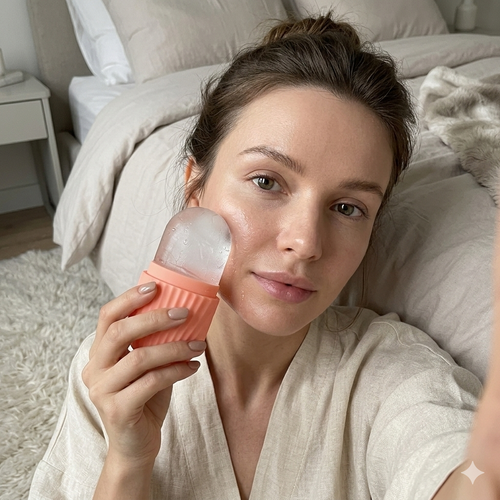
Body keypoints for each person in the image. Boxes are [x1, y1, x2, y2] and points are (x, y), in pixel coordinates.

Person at [29, 13, 498, 500]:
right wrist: (128, 461)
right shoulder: (115, 372)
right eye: (266, 181)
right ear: (196, 187)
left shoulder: (391, 375)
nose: (306, 242)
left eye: (347, 208)